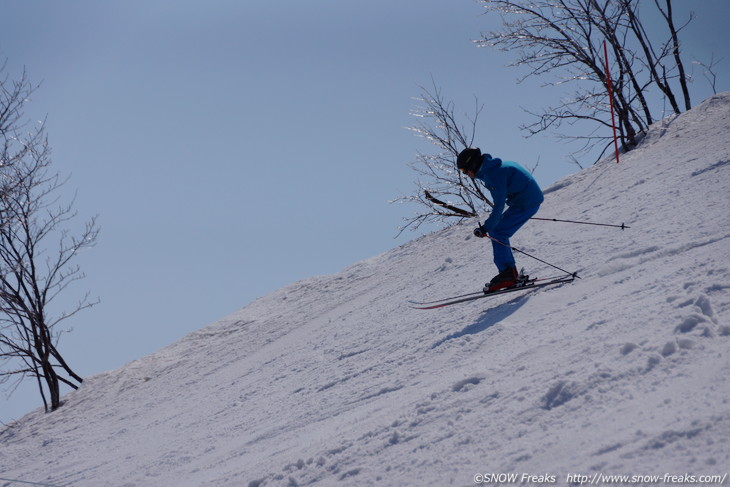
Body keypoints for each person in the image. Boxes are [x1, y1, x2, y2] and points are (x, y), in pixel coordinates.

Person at [456, 147, 544, 292]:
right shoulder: (495, 168)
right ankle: (510, 273)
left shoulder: (493, 175)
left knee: (498, 232)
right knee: (499, 230)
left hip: (526, 202)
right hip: (525, 200)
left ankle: (508, 275)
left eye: (464, 171)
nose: (466, 175)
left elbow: (499, 205)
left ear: (472, 165)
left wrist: (486, 228)